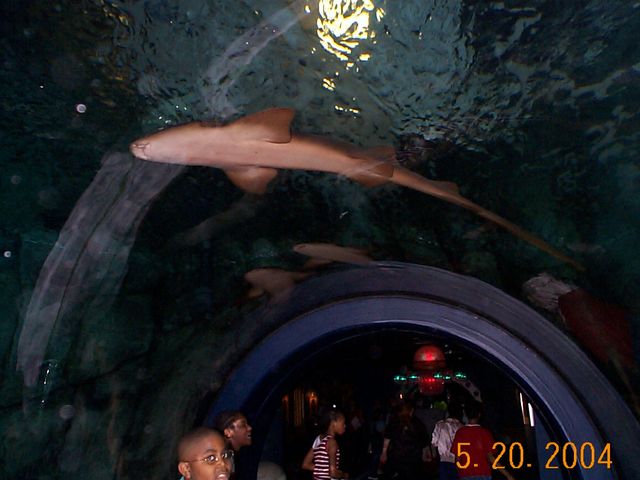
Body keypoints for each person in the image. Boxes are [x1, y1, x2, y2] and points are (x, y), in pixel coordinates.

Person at [450, 401, 514, 480]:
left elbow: (457, 458)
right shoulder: (485, 433)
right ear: (479, 415)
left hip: (465, 474)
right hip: (483, 473)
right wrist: (508, 475)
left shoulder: (460, 433)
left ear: (466, 414)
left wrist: (460, 473)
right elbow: (491, 457)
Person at [379, 400, 428, 480]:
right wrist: (424, 455)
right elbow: (424, 441)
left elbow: (387, 438)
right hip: (412, 459)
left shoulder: (394, 421)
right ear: (411, 410)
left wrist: (384, 453)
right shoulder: (417, 423)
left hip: (397, 457)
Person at [302, 408, 349, 480]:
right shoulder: (332, 442)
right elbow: (333, 473)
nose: (345, 426)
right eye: (343, 423)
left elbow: (305, 464)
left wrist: (323, 469)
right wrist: (344, 475)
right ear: (334, 423)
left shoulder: (318, 439)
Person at [431, 403, 464, 480]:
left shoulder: (440, 425)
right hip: (457, 461)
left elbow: (434, 443)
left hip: (443, 460)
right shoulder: (461, 427)